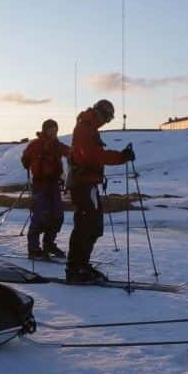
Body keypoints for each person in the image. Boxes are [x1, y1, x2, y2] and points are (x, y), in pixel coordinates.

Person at [66, 100, 134, 283]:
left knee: (92, 226)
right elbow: (93, 156)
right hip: (83, 184)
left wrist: (119, 157)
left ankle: (81, 265)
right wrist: (120, 157)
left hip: (89, 184)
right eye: (108, 118)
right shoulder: (84, 128)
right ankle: (75, 268)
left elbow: (93, 155)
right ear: (101, 113)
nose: (107, 122)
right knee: (86, 225)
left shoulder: (89, 127)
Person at [21, 119, 70, 260]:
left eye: (56, 130)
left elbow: (69, 152)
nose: (54, 132)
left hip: (54, 184)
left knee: (57, 216)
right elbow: (25, 158)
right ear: (45, 130)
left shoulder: (57, 145)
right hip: (40, 185)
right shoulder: (35, 145)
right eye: (51, 129)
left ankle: (49, 244)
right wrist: (27, 162)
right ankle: (34, 249)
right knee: (39, 217)